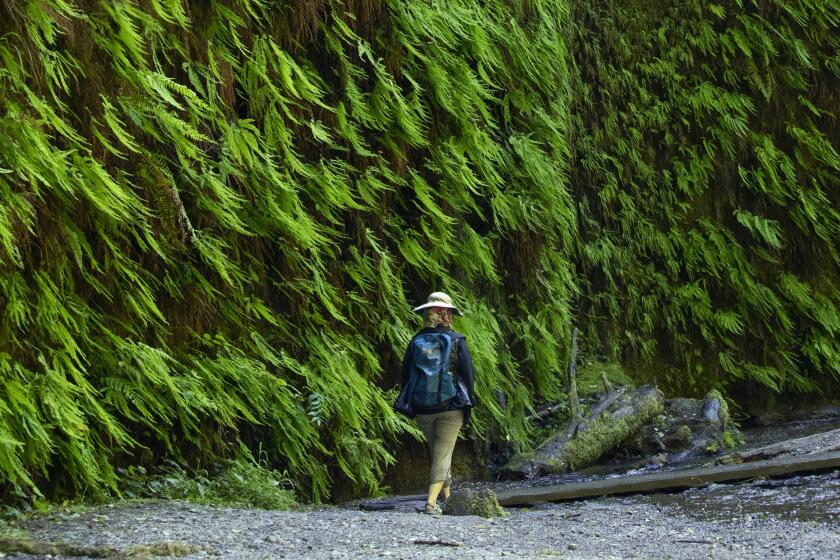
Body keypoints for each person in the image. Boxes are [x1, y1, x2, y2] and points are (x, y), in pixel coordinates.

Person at [397, 292, 476, 515]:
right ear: (447, 315)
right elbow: (468, 375)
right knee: (442, 454)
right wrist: (468, 399)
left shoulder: (416, 341)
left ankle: (448, 499)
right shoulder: (457, 340)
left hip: (423, 407)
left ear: (428, 314)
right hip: (451, 408)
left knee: (439, 452)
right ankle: (431, 503)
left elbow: (405, 376)